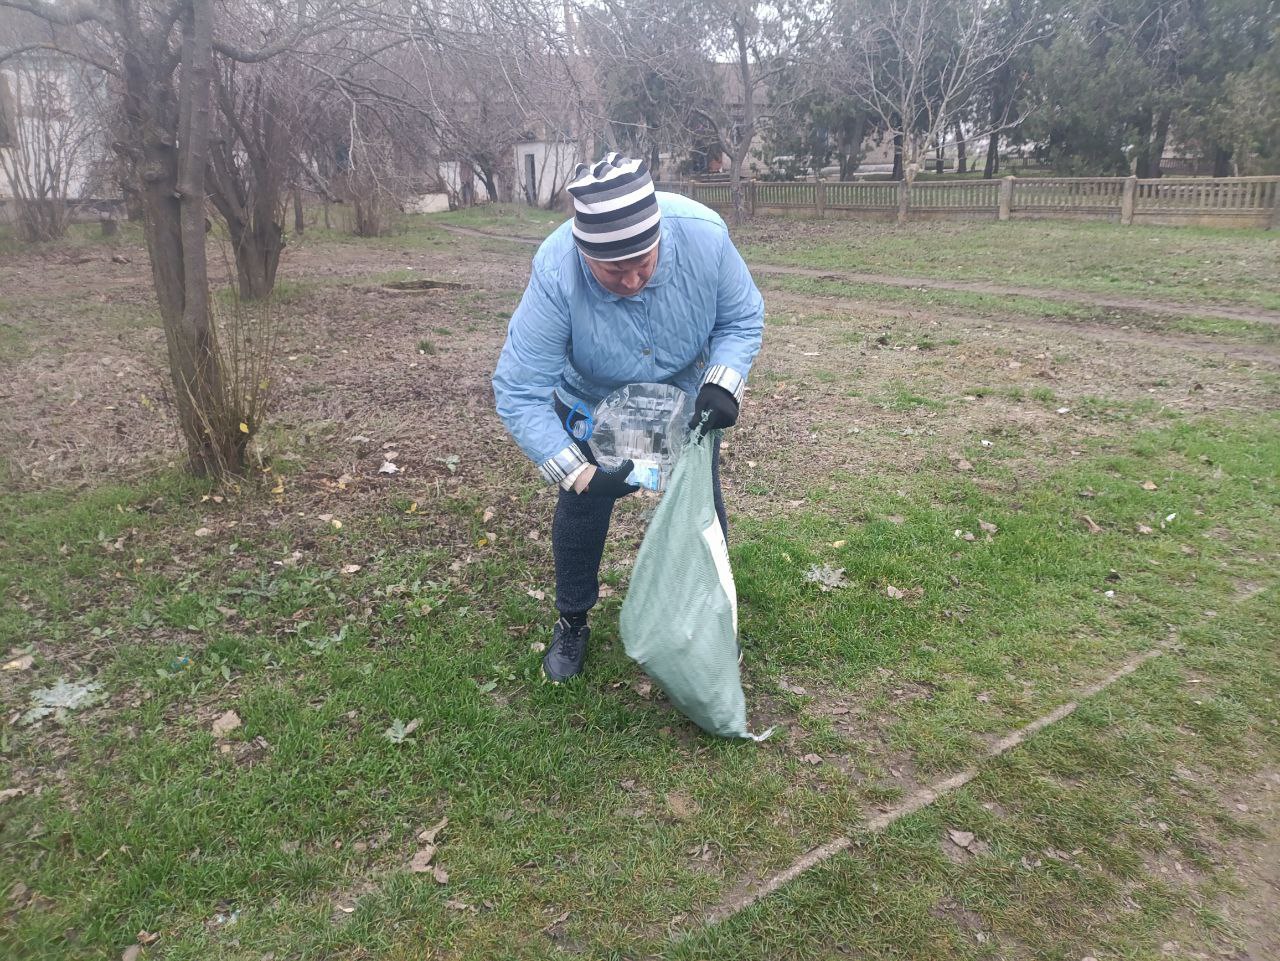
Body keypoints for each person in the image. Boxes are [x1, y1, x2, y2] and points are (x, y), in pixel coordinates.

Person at [492, 153, 764, 682]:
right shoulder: (555, 271)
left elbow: (741, 316)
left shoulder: (705, 237)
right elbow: (519, 388)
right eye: (616, 270)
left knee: (698, 507)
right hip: (591, 404)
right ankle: (572, 620)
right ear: (585, 254)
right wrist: (578, 472)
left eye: (645, 261)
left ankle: (707, 619)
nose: (634, 279)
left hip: (685, 397)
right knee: (581, 511)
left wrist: (723, 381)